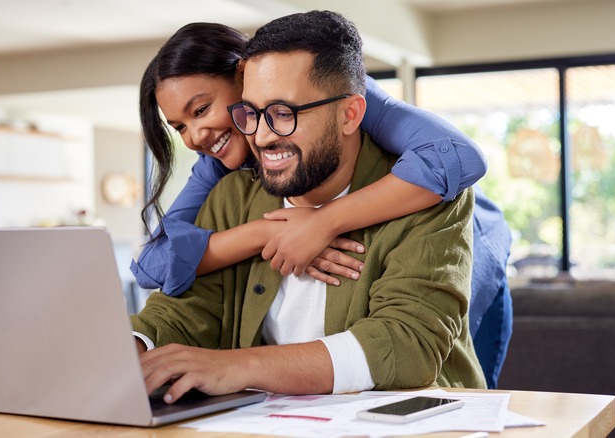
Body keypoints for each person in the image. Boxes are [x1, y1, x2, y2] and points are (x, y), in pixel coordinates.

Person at [131, 20, 512, 388]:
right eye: (252, 113)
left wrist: (321, 222)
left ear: (350, 114)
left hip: (480, 246)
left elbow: (406, 344)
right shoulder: (226, 186)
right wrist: (127, 348)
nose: (261, 136)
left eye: (284, 113)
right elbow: (170, 286)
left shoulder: (428, 185)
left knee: (459, 356)